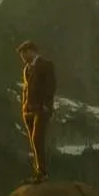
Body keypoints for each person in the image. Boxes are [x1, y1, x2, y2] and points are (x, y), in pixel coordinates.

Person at [17, 40, 56, 184]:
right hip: (28, 110)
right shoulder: (27, 69)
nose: (23, 56)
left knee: (37, 138)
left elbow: (50, 85)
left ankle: (42, 172)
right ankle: (38, 171)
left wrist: (46, 105)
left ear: (33, 51)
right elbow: (26, 89)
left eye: (24, 52)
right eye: (22, 54)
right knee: (34, 142)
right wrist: (24, 107)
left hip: (41, 109)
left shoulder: (45, 65)